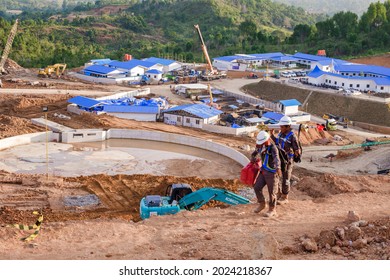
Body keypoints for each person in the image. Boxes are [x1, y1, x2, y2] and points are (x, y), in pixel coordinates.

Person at [270, 115, 301, 205]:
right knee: (278, 176)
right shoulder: (280, 134)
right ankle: (280, 193)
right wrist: (271, 135)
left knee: (286, 178)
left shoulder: (292, 136)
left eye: (282, 127)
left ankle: (285, 196)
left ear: (288, 127)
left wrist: (294, 155)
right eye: (280, 126)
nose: (280, 128)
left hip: (287, 160)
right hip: (280, 159)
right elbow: (277, 142)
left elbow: (297, 150)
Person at [251, 131, 281, 217]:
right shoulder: (260, 147)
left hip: (272, 173)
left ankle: (272, 209)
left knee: (272, 192)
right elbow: (254, 153)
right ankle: (262, 203)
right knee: (257, 187)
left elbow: (276, 158)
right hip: (263, 171)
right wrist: (253, 158)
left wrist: (278, 167)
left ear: (267, 140)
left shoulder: (273, 148)